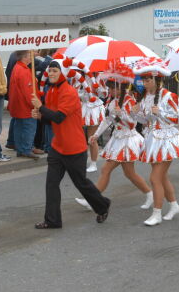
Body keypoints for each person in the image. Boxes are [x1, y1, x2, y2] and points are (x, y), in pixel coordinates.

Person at [32, 56, 110, 229]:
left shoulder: (69, 92)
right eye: (50, 70)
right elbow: (51, 120)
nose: (51, 73)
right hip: (57, 146)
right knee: (51, 183)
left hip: (74, 147)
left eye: (55, 70)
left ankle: (102, 205)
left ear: (62, 73)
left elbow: (59, 117)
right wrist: (40, 116)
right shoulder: (51, 90)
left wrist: (41, 108)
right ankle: (52, 220)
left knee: (81, 183)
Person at [75, 60, 152, 211]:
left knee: (107, 169)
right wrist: (96, 135)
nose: (110, 91)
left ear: (121, 87)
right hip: (117, 139)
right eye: (110, 88)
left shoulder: (129, 101)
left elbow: (133, 123)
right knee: (129, 173)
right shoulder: (113, 102)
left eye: (112, 88)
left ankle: (93, 200)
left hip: (128, 140)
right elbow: (107, 120)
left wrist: (121, 113)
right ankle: (149, 194)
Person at [132, 57, 179, 226]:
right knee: (161, 178)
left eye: (148, 79)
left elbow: (177, 119)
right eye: (143, 79)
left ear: (157, 79)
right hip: (152, 140)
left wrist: (160, 112)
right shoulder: (145, 97)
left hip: (166, 140)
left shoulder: (169, 96)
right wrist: (135, 114)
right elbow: (145, 121)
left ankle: (156, 213)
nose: (144, 83)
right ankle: (174, 205)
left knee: (155, 178)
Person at [8, 51, 40, 159]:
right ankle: (26, 149)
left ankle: (20, 149)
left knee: (19, 127)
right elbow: (28, 92)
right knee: (29, 127)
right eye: (30, 56)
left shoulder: (17, 68)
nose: (31, 58)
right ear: (25, 57)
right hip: (25, 106)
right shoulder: (24, 71)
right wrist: (35, 105)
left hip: (17, 105)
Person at [81, 73, 107, 173]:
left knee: (92, 137)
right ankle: (78, 161)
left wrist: (98, 89)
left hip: (94, 108)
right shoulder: (77, 76)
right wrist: (82, 91)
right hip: (81, 106)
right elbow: (74, 92)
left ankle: (93, 163)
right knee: (78, 136)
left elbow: (105, 94)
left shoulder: (99, 77)